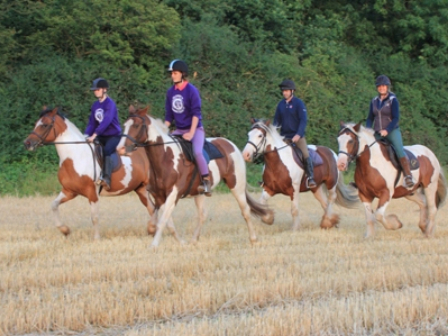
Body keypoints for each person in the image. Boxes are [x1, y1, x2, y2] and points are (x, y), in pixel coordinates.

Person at [164, 59, 212, 196]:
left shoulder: (192, 91)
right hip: (179, 130)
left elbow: (196, 114)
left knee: (197, 152)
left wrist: (191, 133)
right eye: (171, 73)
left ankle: (206, 181)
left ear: (182, 74)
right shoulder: (170, 92)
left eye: (175, 73)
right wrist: (162, 130)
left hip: (195, 129)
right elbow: (169, 117)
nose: (172, 75)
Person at [366, 75, 414, 188]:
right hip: (377, 132)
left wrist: (387, 130)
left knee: (399, 150)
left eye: (383, 86)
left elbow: (396, 118)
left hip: (391, 131)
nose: (381, 88)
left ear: (387, 87)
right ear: (377, 87)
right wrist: (368, 129)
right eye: (379, 86)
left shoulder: (393, 100)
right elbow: (370, 118)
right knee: (366, 149)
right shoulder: (374, 101)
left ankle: (408, 176)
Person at [273, 79, 317, 188]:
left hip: (297, 137)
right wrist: (274, 132)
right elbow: (276, 122)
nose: (284, 93)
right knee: (272, 153)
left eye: (286, 91)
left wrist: (298, 134)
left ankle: (310, 178)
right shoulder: (280, 105)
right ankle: (269, 179)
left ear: (292, 91)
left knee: (305, 154)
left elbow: (303, 120)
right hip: (284, 137)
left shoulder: (298, 103)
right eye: (283, 91)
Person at [84, 78, 122, 191]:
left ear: (104, 90)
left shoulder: (110, 104)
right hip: (100, 136)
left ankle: (106, 178)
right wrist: (86, 135)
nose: (95, 91)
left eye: (97, 89)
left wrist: (95, 134)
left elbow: (106, 121)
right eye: (94, 90)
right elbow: (92, 123)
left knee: (106, 150)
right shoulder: (95, 105)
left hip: (113, 136)